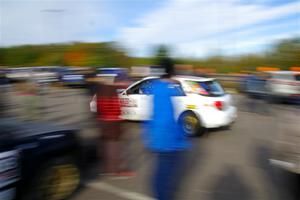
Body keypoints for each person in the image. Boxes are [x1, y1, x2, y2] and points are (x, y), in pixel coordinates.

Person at [143, 58, 191, 200]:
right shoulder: (172, 91)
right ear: (171, 72)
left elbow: (149, 116)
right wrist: (181, 139)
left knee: (161, 171)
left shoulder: (153, 87)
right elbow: (174, 118)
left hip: (156, 138)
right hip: (169, 141)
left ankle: (160, 194)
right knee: (166, 172)